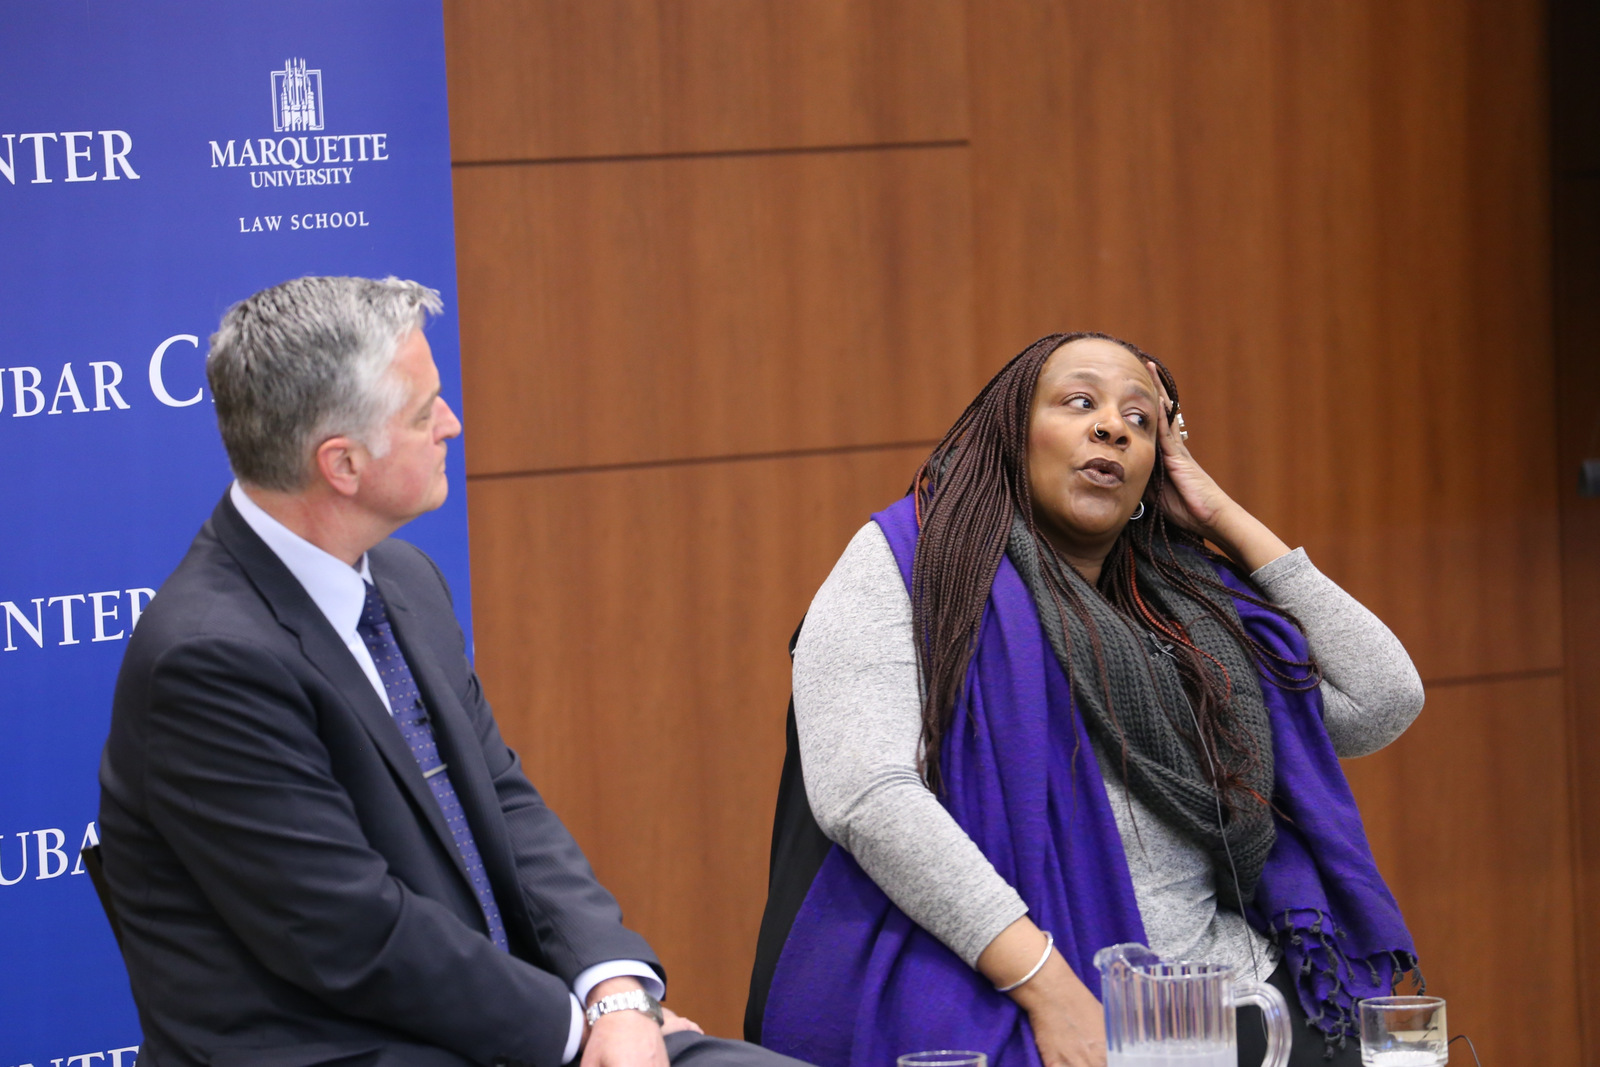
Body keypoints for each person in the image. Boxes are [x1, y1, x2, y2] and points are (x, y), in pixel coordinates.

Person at [98, 276, 810, 1067]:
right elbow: (353, 933)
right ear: (342, 463)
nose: (451, 423)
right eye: (423, 410)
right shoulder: (209, 660)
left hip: (495, 1024)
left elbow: (504, 803)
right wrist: (580, 1032)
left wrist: (613, 989)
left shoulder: (404, 580)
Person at [746, 333, 1426, 1067]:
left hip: (1234, 999)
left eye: (1141, 420)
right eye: (1080, 402)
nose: (1113, 428)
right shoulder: (913, 561)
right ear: (1011, 432)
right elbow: (867, 793)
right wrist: (1049, 991)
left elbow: (1380, 698)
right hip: (1028, 1000)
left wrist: (1218, 513)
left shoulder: (1185, 603)